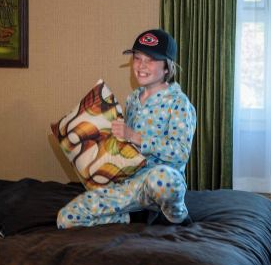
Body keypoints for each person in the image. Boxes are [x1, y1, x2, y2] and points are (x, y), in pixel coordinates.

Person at [57, 28, 196, 229]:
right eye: (137, 58)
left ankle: (176, 215)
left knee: (163, 179)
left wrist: (136, 137)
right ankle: (136, 216)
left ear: (167, 67)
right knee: (67, 218)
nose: (141, 65)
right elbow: (125, 148)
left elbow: (181, 153)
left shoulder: (179, 103)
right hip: (131, 183)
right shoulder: (133, 99)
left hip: (162, 182)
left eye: (150, 60)